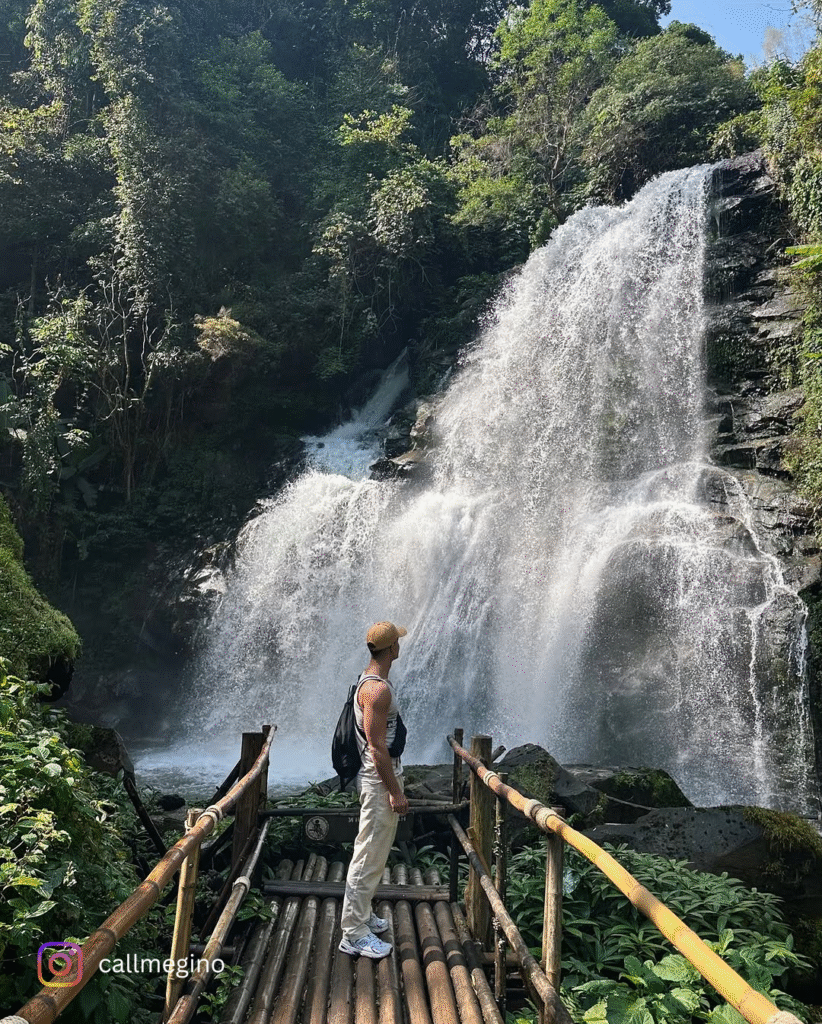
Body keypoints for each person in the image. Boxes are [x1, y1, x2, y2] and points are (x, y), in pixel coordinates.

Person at [338, 621, 410, 958]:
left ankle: (362, 915)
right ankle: (353, 933)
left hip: (377, 779)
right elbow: (377, 747)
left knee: (374, 853)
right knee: (367, 855)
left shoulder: (371, 682)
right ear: (392, 648)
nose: (400, 647)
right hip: (379, 782)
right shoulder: (377, 690)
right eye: (398, 642)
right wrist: (395, 792)